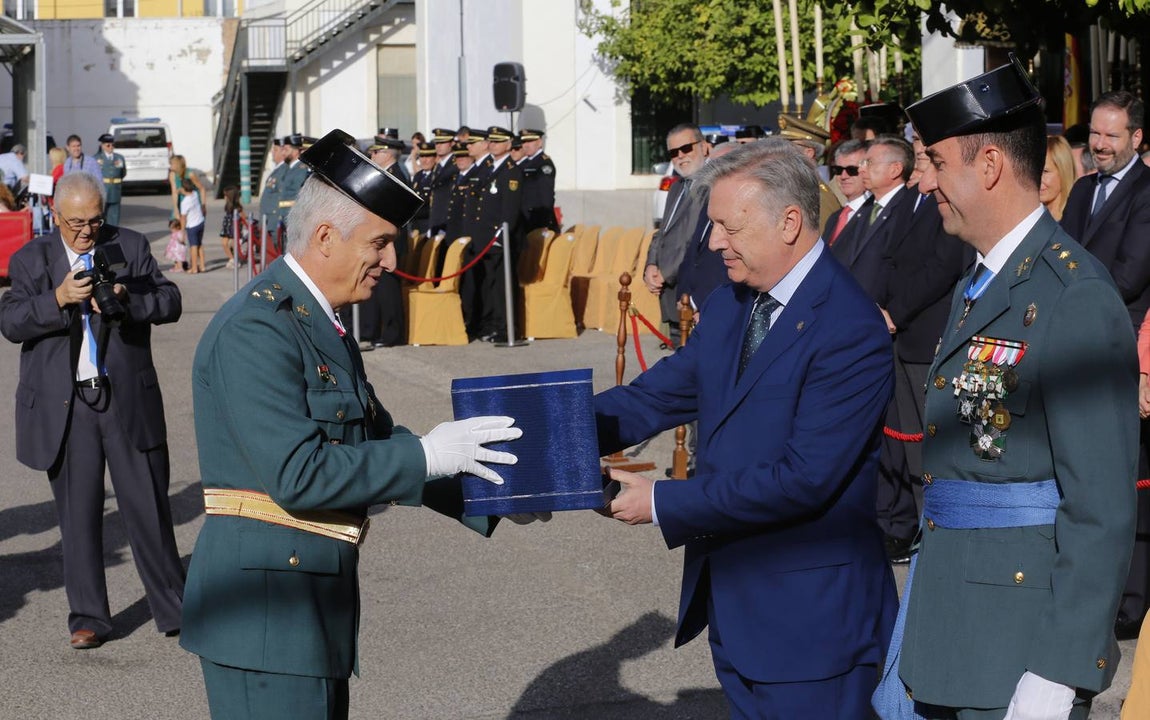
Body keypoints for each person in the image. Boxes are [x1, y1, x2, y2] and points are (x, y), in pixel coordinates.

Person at [180, 129, 527, 720]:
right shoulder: (258, 328)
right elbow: (299, 474)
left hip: (304, 602)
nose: (391, 261)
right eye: (380, 243)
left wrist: (491, 485)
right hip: (264, 616)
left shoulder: (316, 318)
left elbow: (372, 438)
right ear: (324, 237)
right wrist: (431, 455)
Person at [597, 138, 897, 718]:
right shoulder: (734, 303)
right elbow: (658, 395)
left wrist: (661, 499)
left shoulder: (848, 327)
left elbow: (803, 478)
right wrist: (547, 434)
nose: (713, 243)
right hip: (738, 607)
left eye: (727, 227)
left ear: (789, 222)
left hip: (813, 628)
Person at [877, 56, 1138, 719]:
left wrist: (1057, 671)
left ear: (988, 165)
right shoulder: (984, 280)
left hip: (1019, 648)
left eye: (934, 161)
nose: (924, 180)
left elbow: (1100, 506)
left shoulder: (1072, 294)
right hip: (949, 623)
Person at [0, 171, 186, 650]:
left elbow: (170, 300)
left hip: (125, 398)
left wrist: (129, 299)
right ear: (55, 215)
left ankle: (175, 608)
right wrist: (57, 299)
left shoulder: (129, 245)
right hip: (67, 408)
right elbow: (11, 321)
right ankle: (89, 619)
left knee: (148, 509)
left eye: (95, 220)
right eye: (76, 222)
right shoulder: (32, 258)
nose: (87, 230)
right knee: (78, 520)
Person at [1059, 91, 1150, 640]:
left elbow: (1131, 273)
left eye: (1111, 135)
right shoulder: (1084, 190)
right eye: (1094, 133)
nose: (1098, 145)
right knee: (1089, 475)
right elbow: (1062, 253)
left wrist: (1069, 306)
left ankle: (1133, 599)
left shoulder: (1147, 193)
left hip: (1121, 349)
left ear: (1137, 138)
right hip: (1076, 350)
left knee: (1132, 478)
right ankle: (1098, 588)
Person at [643, 123, 710, 346]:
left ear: (704, 147)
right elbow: (662, 232)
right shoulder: (676, 187)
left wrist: (666, 273)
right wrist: (651, 265)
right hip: (670, 295)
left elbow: (694, 240)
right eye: (673, 152)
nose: (680, 156)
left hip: (692, 293)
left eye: (686, 148)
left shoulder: (710, 186)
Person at [822, 139, 869, 246]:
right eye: (838, 170)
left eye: (852, 170)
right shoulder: (834, 218)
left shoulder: (875, 215)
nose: (843, 176)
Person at [517, 128, 559, 233]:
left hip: (537, 221)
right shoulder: (524, 163)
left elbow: (546, 196)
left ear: (539, 142)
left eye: (530, 141)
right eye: (524, 142)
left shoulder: (544, 164)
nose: (526, 145)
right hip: (525, 219)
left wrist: (545, 222)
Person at [94, 133, 127, 227]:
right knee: (101, 215)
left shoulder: (119, 158)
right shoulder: (96, 158)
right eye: (108, 145)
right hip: (102, 189)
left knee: (114, 216)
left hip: (115, 189)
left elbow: (123, 173)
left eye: (113, 145)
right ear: (102, 146)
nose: (111, 147)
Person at [1040, 135, 1076, 221]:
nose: (1037, 179)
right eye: (1034, 171)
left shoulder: (1076, 220)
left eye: (1045, 171)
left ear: (1063, 171)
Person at [180, 178, 206, 274]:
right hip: (200, 222)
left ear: (183, 188)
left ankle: (194, 267)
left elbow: (183, 218)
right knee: (200, 244)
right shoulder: (195, 194)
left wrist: (182, 231)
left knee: (193, 247)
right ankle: (202, 265)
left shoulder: (185, 202)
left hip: (192, 225)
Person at [169, 154, 206, 222]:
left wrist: (203, 206)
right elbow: (174, 193)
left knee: (192, 226)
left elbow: (202, 189)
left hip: (193, 201)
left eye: (171, 164)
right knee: (175, 224)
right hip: (181, 202)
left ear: (177, 164)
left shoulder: (190, 174)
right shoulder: (172, 175)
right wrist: (176, 209)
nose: (170, 166)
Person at [219, 185, 244, 269]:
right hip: (227, 228)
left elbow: (244, 218)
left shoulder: (238, 208)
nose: (224, 197)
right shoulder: (227, 206)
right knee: (224, 243)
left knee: (232, 244)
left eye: (225, 195)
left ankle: (235, 259)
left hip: (234, 229)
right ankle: (232, 259)